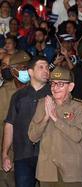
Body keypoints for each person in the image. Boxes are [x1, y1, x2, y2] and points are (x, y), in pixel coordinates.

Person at [28, 66, 82, 187]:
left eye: (60, 84)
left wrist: (55, 118)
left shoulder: (79, 107)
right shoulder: (43, 104)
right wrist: (45, 118)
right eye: (53, 84)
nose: (55, 88)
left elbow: (77, 135)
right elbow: (32, 137)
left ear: (70, 87)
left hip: (70, 172)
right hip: (47, 171)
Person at [2, 56, 51, 187]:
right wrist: (5, 153)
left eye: (47, 67)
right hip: (23, 155)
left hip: (48, 156)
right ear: (30, 72)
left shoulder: (54, 93)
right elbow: (9, 124)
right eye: (41, 67)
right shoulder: (18, 96)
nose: (46, 70)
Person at [0, 51, 31, 187]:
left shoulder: (40, 91)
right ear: (13, 71)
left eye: (28, 67)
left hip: (32, 158)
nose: (26, 71)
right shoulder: (3, 93)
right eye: (22, 68)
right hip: (7, 159)